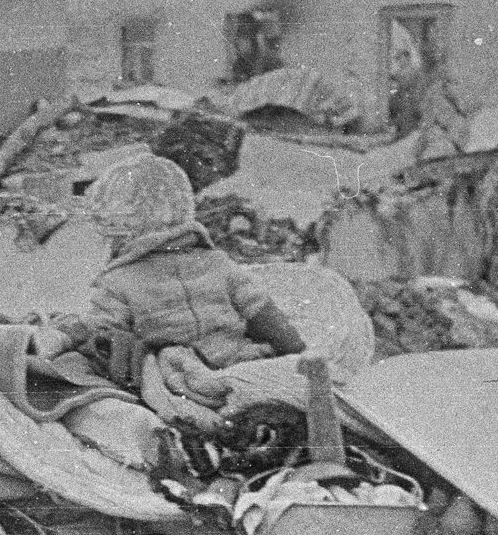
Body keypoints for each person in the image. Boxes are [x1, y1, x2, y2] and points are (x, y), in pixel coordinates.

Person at [41, 154, 304, 409]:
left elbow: (99, 329)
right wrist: (295, 352)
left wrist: (64, 332)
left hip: (178, 374)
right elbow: (265, 316)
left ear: (115, 225)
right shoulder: (219, 263)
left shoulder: (118, 280)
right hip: (240, 361)